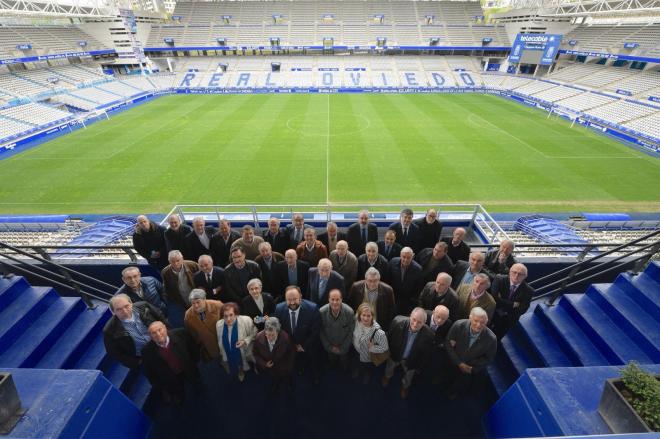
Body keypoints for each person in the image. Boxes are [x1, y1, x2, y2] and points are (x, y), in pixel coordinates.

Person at [142, 321, 200, 405]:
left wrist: (194, 363)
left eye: (160, 330)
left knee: (195, 381)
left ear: (165, 328)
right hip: (171, 377)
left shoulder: (181, 334)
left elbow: (193, 349)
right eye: (154, 333)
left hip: (188, 368)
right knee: (178, 392)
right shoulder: (146, 352)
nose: (158, 334)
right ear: (150, 336)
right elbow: (150, 372)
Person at [103, 294, 167, 369]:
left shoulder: (144, 306)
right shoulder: (109, 330)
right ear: (113, 312)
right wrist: (137, 362)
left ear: (131, 304)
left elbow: (162, 318)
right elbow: (114, 353)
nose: (124, 311)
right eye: (119, 309)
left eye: (126, 306)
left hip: (165, 345)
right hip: (146, 358)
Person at [382, 307, 434, 399]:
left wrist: (419, 366)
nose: (415, 324)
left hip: (412, 360)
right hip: (395, 354)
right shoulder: (397, 322)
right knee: (389, 367)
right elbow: (389, 338)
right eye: (414, 319)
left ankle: (405, 386)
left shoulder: (429, 335)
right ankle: (387, 376)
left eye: (419, 322)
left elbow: (426, 353)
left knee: (409, 376)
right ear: (410, 316)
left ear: (424, 323)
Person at [445, 307, 497, 398]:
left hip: (469, 368)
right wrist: (459, 363)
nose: (478, 325)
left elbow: (489, 358)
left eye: (482, 322)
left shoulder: (492, 339)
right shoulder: (458, 325)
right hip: (452, 361)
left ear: (487, 322)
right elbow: (448, 344)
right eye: (476, 321)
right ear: (470, 317)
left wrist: (472, 367)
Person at [274, 286, 321, 382]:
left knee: (314, 362)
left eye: (295, 299)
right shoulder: (279, 309)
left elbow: (316, 331)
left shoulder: (312, 309)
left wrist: (303, 346)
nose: (292, 303)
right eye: (289, 300)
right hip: (289, 344)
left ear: (300, 297)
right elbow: (279, 329)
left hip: (307, 344)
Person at [252, 317, 295, 393]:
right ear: (265, 331)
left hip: (283, 366)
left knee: (287, 377)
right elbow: (255, 354)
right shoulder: (258, 338)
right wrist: (264, 364)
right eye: (268, 335)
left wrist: (288, 367)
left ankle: (289, 383)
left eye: (273, 335)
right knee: (275, 378)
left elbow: (291, 354)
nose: (270, 338)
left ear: (278, 332)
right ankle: (276, 384)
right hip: (270, 368)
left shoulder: (285, 338)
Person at [490, 263, 534, 339]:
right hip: (493, 313)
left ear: (525, 276)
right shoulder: (499, 279)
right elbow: (493, 299)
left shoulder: (529, 290)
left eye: (520, 274)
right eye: (514, 272)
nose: (516, 275)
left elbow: (522, 309)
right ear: (510, 272)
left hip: (508, 319)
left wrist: (502, 301)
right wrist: (513, 304)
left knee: (496, 339)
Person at [216, 302, 257, 382]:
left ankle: (255, 366)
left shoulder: (246, 320)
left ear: (236, 314)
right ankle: (241, 372)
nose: (228, 319)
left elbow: (255, 333)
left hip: (246, 349)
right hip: (230, 352)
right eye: (225, 316)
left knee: (251, 360)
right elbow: (220, 341)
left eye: (231, 315)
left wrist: (245, 341)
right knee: (237, 363)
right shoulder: (218, 324)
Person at [348, 267, 395, 331]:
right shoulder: (355, 287)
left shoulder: (388, 291)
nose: (372, 284)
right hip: (359, 324)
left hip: (377, 326)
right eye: (370, 281)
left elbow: (391, 312)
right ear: (365, 279)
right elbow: (350, 306)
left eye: (375, 281)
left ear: (379, 280)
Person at [351, 303, 389, 385]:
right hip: (356, 351)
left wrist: (373, 348)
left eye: (368, 316)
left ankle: (367, 374)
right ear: (359, 315)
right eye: (363, 315)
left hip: (367, 356)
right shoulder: (356, 320)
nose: (365, 318)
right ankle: (358, 370)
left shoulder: (377, 331)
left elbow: (385, 347)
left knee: (367, 367)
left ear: (373, 316)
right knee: (357, 362)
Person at [319, 289, 355, 371]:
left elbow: (351, 332)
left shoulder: (349, 312)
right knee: (332, 361)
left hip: (344, 347)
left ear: (341, 299)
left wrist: (343, 347)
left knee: (344, 361)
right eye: (332, 299)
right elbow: (321, 331)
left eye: (337, 299)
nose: (335, 302)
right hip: (329, 346)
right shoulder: (321, 312)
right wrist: (329, 346)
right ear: (328, 299)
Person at [183, 289, 223, 361]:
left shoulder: (218, 305)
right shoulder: (188, 316)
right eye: (193, 303)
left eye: (198, 302)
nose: (196, 306)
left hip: (224, 338)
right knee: (221, 361)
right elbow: (192, 333)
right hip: (210, 345)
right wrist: (201, 342)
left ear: (204, 299)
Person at [388, 247, 424, 315]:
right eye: (404, 257)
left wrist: (411, 300)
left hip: (408, 300)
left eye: (408, 257)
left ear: (412, 256)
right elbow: (388, 279)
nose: (405, 260)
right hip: (393, 297)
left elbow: (418, 288)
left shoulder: (418, 269)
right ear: (400, 255)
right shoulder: (392, 262)